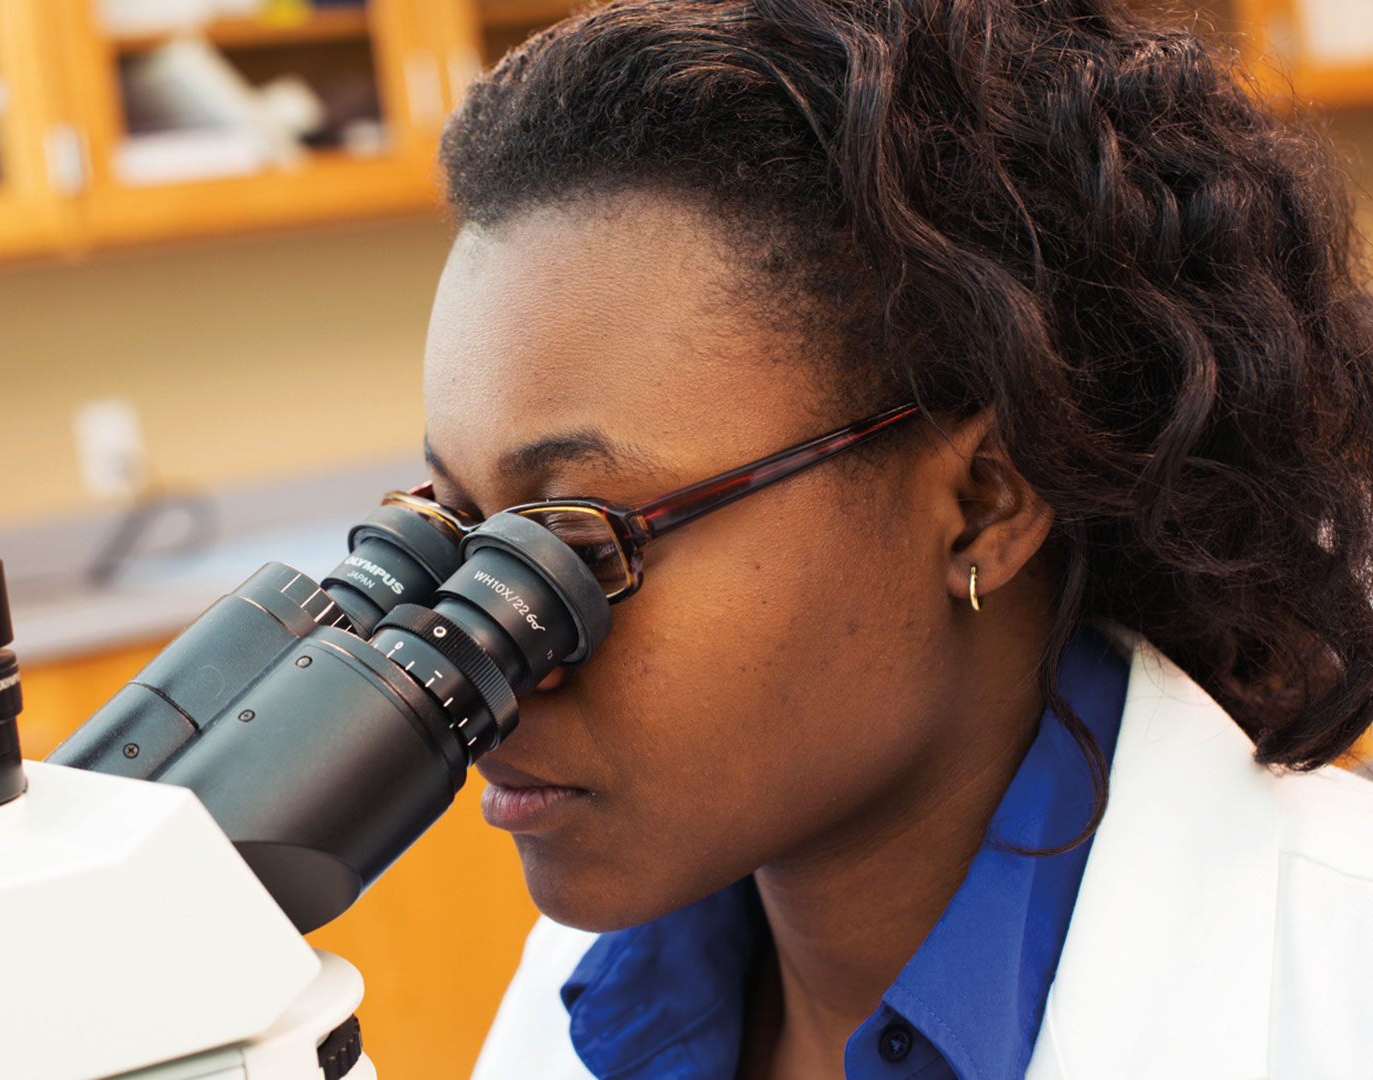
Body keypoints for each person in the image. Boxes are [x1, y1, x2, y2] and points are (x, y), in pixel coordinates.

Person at [416, 1, 1373, 1077]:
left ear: (982, 502)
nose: (474, 646)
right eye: (452, 529)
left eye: (576, 545)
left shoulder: (1341, 984)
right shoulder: (592, 1000)